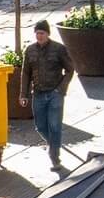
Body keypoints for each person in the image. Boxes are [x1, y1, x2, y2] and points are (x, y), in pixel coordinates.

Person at [19, 20, 75, 173]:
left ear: (48, 34)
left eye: (42, 33)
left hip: (55, 93)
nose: (39, 36)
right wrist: (23, 94)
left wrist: (61, 89)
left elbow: (70, 70)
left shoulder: (58, 49)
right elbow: (25, 73)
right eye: (37, 33)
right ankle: (53, 144)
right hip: (37, 94)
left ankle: (54, 157)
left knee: (55, 126)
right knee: (41, 126)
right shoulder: (30, 50)